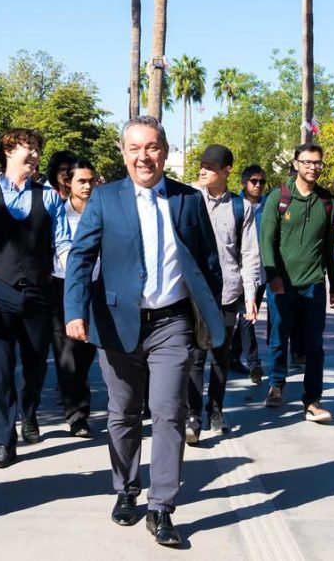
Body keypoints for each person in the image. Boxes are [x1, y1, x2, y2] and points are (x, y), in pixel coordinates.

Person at [64, 116, 224, 547]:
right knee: (123, 413)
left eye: (152, 147)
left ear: (165, 152)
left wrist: (208, 313)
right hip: (116, 324)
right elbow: (80, 259)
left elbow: (208, 262)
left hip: (172, 323)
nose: (143, 156)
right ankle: (126, 489)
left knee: (169, 411)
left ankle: (162, 506)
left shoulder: (188, 200)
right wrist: (74, 311)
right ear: (123, 154)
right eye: (134, 148)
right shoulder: (104, 198)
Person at [0, 128, 72, 468]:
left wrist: (76, 277)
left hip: (39, 293)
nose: (36, 154)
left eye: (39, 148)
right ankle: (3, 440)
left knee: (37, 364)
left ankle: (29, 410)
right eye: (30, 148)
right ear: (9, 151)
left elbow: (64, 243)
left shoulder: (50, 197)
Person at [259, 142, 334, 422]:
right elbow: (266, 240)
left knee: (314, 344)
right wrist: (273, 277)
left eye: (317, 163)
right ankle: (277, 384)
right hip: (282, 284)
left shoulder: (328, 202)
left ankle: (313, 400)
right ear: (296, 164)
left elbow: (331, 246)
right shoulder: (278, 198)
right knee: (279, 338)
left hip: (313, 284)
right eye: (307, 162)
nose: (313, 168)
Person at [186, 145, 261, 444]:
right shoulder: (189, 200)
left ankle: (215, 409)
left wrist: (251, 295)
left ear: (227, 171)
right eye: (201, 165)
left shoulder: (242, 208)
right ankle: (192, 413)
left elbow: (249, 255)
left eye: (210, 167)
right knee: (194, 356)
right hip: (191, 293)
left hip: (227, 292)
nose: (203, 171)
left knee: (221, 356)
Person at [49, 158, 99, 438]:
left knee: (87, 350)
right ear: (68, 183)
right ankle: (77, 415)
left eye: (91, 180)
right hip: (63, 287)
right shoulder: (59, 213)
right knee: (67, 353)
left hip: (97, 287)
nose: (88, 186)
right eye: (82, 181)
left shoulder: (101, 210)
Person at [229, 165, 268, 383]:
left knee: (246, 317)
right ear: (244, 182)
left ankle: (232, 356)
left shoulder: (268, 207)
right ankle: (254, 364)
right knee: (247, 316)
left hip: (260, 272)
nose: (258, 185)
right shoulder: (235, 205)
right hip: (238, 271)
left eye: (262, 182)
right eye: (254, 181)